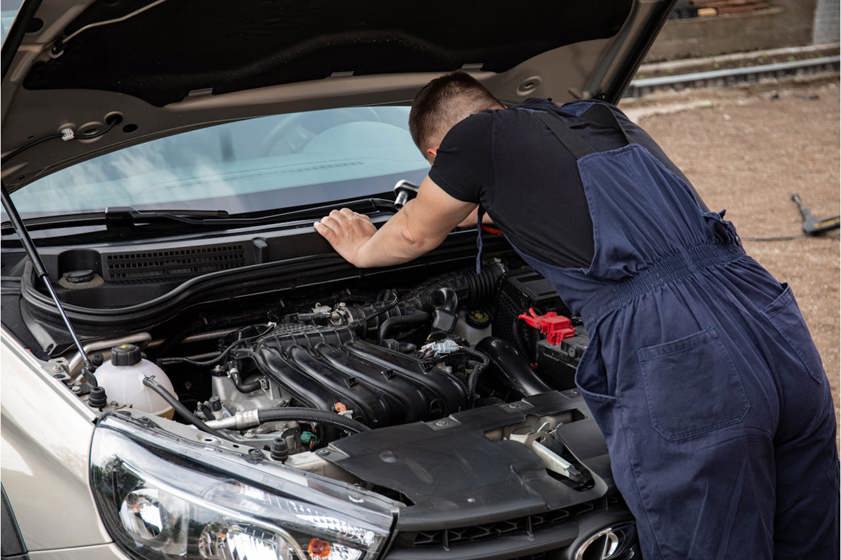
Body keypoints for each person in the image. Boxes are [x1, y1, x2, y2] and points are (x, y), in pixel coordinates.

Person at [314, 71, 839, 559]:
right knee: (810, 522)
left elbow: (411, 233)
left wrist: (361, 248)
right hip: (761, 309)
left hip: (677, 343)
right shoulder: (601, 118)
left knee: (708, 535)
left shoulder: (472, 139)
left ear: (438, 153)